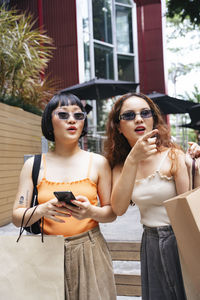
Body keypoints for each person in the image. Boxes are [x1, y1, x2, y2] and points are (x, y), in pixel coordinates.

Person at [12, 93, 117, 300]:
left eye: (78, 116)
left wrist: (90, 211)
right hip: (45, 252)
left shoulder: (98, 162)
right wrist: (42, 209)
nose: (72, 120)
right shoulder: (33, 165)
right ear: (49, 122)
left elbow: (111, 212)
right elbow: (17, 217)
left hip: (90, 249)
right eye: (63, 114)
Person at [104, 92, 189, 300]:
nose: (139, 119)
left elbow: (188, 208)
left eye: (145, 113)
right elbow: (119, 208)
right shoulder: (119, 167)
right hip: (150, 241)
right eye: (129, 115)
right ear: (118, 127)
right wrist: (133, 160)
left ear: (154, 120)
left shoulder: (173, 155)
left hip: (180, 238)